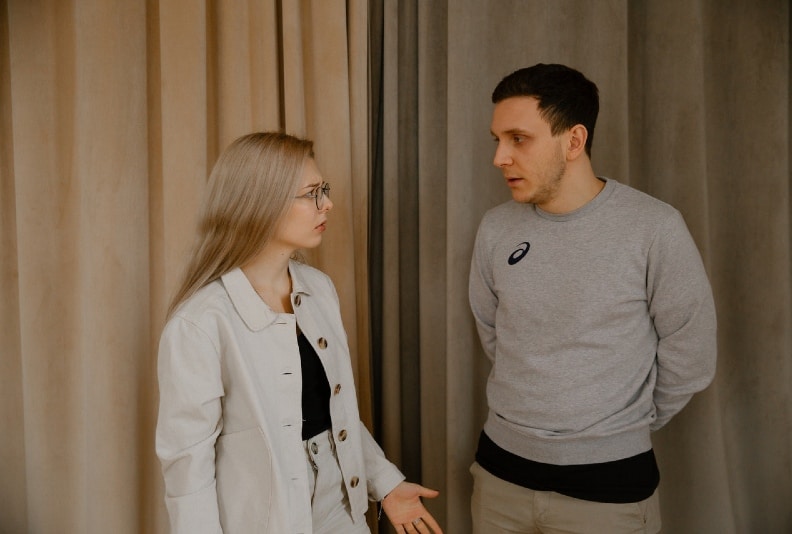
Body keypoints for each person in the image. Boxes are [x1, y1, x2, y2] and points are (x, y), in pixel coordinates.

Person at [468, 64, 717, 533]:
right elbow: (495, 332)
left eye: (518, 139)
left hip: (608, 490)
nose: (500, 157)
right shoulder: (496, 228)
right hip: (500, 475)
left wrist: (618, 424)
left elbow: (692, 351)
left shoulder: (654, 228)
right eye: (497, 140)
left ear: (574, 141)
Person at [156, 132, 442, 534]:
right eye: (312, 194)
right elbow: (188, 467)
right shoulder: (200, 324)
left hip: (341, 501)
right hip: (264, 519)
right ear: (261, 203)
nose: (328, 204)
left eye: (324, 190)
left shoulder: (318, 288)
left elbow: (336, 413)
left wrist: (386, 484)